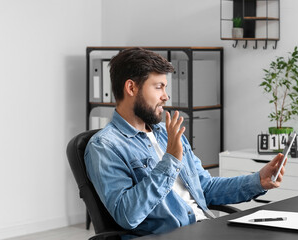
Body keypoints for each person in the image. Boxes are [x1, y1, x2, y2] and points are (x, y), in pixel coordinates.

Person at [84, 47, 285, 237]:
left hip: (206, 229)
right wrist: (170, 160)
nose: (165, 96)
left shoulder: (166, 134)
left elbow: (205, 188)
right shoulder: (105, 146)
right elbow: (128, 215)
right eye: (158, 87)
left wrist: (258, 181)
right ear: (131, 87)